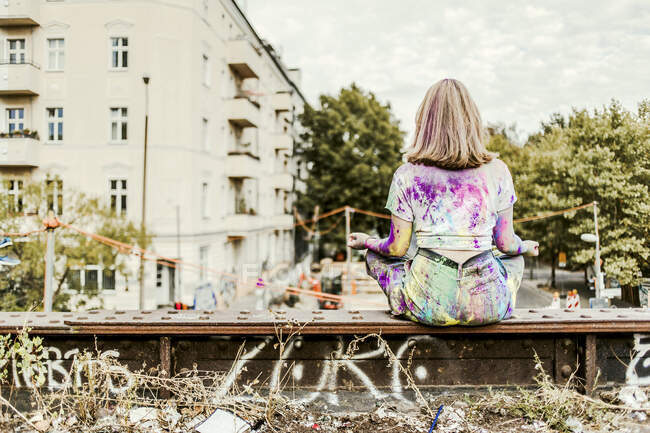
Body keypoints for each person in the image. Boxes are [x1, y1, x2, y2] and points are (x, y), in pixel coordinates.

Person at [347, 78, 539, 326]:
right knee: (515, 259)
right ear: (473, 122)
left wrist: (368, 242)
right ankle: (503, 299)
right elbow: (506, 244)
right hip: (485, 306)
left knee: (375, 258)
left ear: (424, 123)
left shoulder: (407, 174)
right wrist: (526, 246)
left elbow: (397, 249)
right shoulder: (498, 171)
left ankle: (401, 301)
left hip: (428, 306)